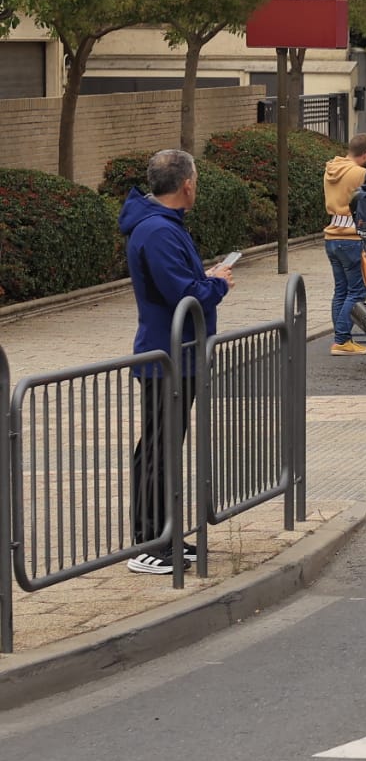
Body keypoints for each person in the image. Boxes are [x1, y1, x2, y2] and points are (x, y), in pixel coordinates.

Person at [121, 150, 234, 574]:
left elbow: (182, 284)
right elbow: (184, 294)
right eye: (196, 180)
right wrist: (216, 284)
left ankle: (165, 533)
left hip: (175, 354)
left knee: (164, 444)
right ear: (187, 185)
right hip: (166, 356)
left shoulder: (164, 226)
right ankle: (149, 542)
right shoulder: (158, 231)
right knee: (158, 447)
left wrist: (206, 279)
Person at [324, 133, 366, 354]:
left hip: (332, 235)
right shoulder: (360, 173)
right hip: (351, 236)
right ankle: (342, 340)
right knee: (356, 292)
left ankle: (341, 338)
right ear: (365, 155)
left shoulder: (331, 169)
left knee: (341, 290)